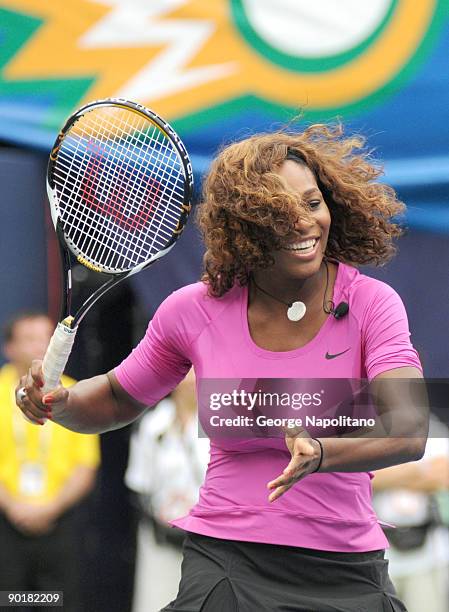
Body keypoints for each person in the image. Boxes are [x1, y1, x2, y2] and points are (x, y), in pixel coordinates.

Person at [16, 124, 428, 611]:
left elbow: (408, 431)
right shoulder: (193, 310)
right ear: (248, 222)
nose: (304, 223)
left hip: (347, 569)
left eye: (313, 204)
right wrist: (62, 404)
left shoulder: (372, 304)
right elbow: (117, 397)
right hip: (227, 563)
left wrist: (319, 452)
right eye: (280, 211)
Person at [0, 313, 100, 612]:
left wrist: (50, 508)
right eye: (29, 339)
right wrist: (13, 506)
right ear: (10, 348)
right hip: (6, 524)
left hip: (60, 525)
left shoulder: (76, 394)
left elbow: (85, 467)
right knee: (10, 602)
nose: (40, 347)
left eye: (46, 338)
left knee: (58, 603)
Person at [126, 369, 209, 612]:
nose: (191, 381)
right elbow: (139, 483)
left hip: (206, 540)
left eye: (198, 373)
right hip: (160, 537)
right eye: (186, 374)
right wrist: (156, 519)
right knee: (155, 601)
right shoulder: (154, 423)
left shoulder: (221, 419)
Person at [373, 415, 449, 612]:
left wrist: (386, 471)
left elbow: (443, 475)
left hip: (428, 553)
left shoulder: (429, 426)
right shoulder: (362, 426)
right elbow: (358, 478)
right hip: (378, 557)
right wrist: (418, 471)